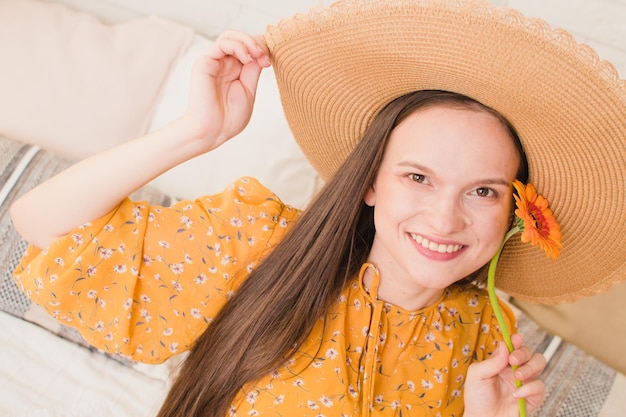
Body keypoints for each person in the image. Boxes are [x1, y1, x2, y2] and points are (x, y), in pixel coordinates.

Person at [10, 0, 626, 416]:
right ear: (370, 183)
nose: (445, 219)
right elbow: (41, 224)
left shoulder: (489, 343)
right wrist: (196, 133)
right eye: (418, 177)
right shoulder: (258, 243)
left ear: (516, 211)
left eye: (483, 190)